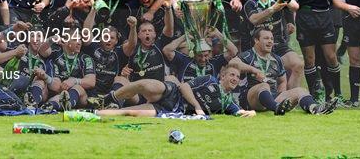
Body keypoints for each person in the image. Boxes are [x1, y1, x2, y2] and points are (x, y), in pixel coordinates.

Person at [280, 0, 343, 101]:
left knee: (331, 57)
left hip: (324, 15)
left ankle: (337, 94)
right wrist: (289, 7)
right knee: (310, 59)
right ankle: (316, 96)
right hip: (305, 17)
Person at [239, 28, 338, 115]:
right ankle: (277, 107)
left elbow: (282, 81)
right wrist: (254, 70)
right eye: (266, 38)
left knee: (301, 90)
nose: (270, 41)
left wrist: (282, 94)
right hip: (250, 99)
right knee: (264, 86)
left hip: (272, 100)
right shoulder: (248, 55)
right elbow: (232, 64)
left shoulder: (276, 59)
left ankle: (315, 108)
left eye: (271, 39)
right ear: (256, 40)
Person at [96, 65, 256, 117]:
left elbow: (241, 113)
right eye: (232, 75)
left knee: (128, 113)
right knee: (145, 85)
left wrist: (252, 113)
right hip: (173, 93)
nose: (235, 78)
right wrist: (197, 106)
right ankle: (111, 98)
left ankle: (93, 113)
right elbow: (184, 86)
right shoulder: (209, 79)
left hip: (174, 110)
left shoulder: (228, 102)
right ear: (222, 75)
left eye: (238, 76)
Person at [243, 0, 303, 89]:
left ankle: (291, 99)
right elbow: (254, 20)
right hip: (260, 49)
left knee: (298, 64)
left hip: (279, 44)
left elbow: (295, 7)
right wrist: (273, 9)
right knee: (266, 83)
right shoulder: (250, 4)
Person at [121, 0, 174, 82]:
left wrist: (168, 9)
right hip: (138, 87)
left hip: (158, 86)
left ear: (155, 34)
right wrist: (124, 73)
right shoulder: (133, 49)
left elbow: (169, 27)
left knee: (171, 79)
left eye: (150, 31)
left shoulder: (160, 44)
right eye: (144, 31)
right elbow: (131, 43)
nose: (147, 33)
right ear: (138, 35)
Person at [46, 30, 96, 111]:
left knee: (77, 87)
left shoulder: (86, 58)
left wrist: (75, 81)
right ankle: (49, 106)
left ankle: (66, 104)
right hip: (58, 91)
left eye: (80, 40)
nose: (79, 43)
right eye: (75, 39)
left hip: (81, 97)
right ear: (65, 42)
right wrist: (51, 39)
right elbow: (41, 51)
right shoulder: (55, 54)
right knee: (59, 96)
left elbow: (91, 82)